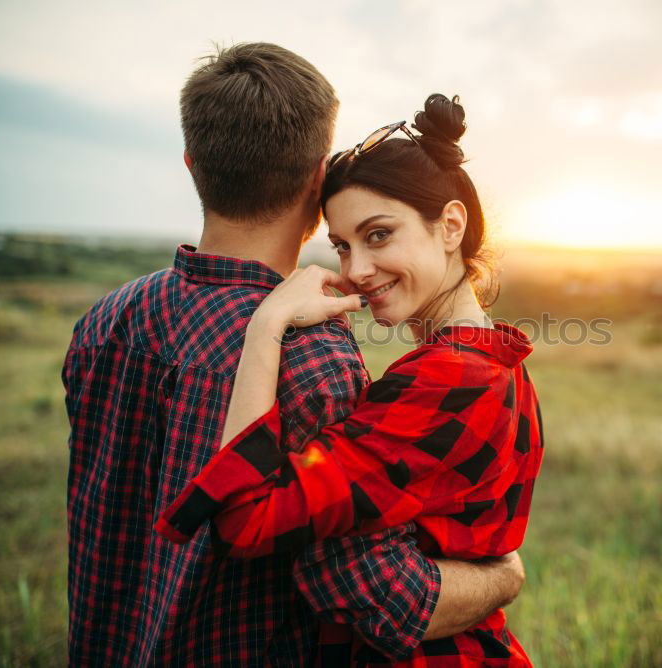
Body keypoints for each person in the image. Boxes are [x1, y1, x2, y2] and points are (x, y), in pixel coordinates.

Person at [61, 45, 525, 666]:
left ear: (192, 165)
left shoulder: (106, 320)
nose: (355, 268)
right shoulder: (311, 358)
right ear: (318, 182)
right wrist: (502, 578)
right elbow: (369, 588)